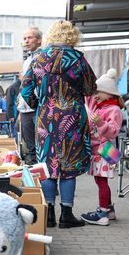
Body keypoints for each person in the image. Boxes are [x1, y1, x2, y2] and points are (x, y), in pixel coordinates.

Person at [21, 20, 96, 228]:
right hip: (72, 118)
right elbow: (90, 88)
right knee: (68, 167)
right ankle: (67, 214)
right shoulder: (78, 59)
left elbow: (25, 90)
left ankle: (49, 214)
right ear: (71, 36)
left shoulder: (39, 59)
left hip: (46, 119)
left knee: (48, 165)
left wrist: (41, 105)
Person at [81, 69, 123, 226]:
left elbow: (113, 132)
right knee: (100, 182)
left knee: (102, 182)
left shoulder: (114, 110)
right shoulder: (99, 106)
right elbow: (88, 96)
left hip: (104, 150)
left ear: (109, 93)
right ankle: (110, 210)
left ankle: (103, 213)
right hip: (98, 150)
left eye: (99, 91)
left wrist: (99, 122)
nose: (96, 94)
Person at [18, 26, 43, 164]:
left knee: (41, 145)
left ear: (39, 40)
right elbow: (23, 86)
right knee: (30, 148)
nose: (26, 41)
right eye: (24, 38)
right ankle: (36, 181)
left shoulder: (44, 57)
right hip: (25, 109)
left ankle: (46, 181)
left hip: (38, 107)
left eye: (30, 37)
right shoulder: (27, 60)